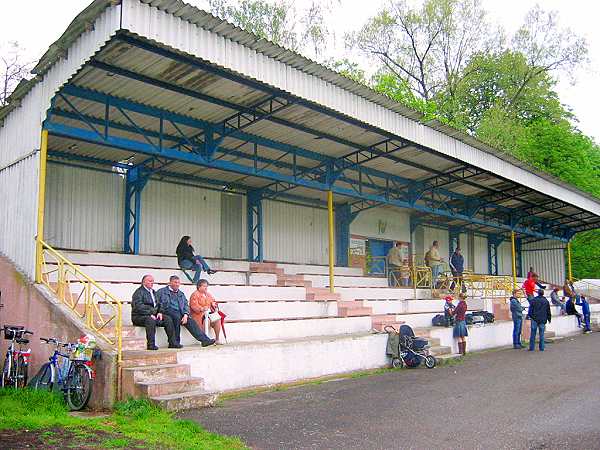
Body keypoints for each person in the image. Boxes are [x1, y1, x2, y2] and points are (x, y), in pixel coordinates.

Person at [156, 275, 216, 347]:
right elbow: (157, 303)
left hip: (180, 313)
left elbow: (185, 305)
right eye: (175, 282)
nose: (177, 284)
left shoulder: (181, 294)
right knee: (176, 316)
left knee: (190, 321)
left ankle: (205, 340)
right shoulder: (161, 292)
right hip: (166, 311)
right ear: (169, 283)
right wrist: (159, 312)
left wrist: (185, 314)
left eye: (178, 282)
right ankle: (175, 342)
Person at [131, 275, 179, 350]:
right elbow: (138, 307)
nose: (152, 282)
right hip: (139, 316)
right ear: (143, 282)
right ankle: (151, 344)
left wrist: (160, 312)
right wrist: (150, 314)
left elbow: (159, 304)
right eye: (150, 281)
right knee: (150, 320)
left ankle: (172, 342)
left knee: (168, 319)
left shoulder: (153, 292)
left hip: (153, 315)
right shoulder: (138, 292)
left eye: (152, 281)